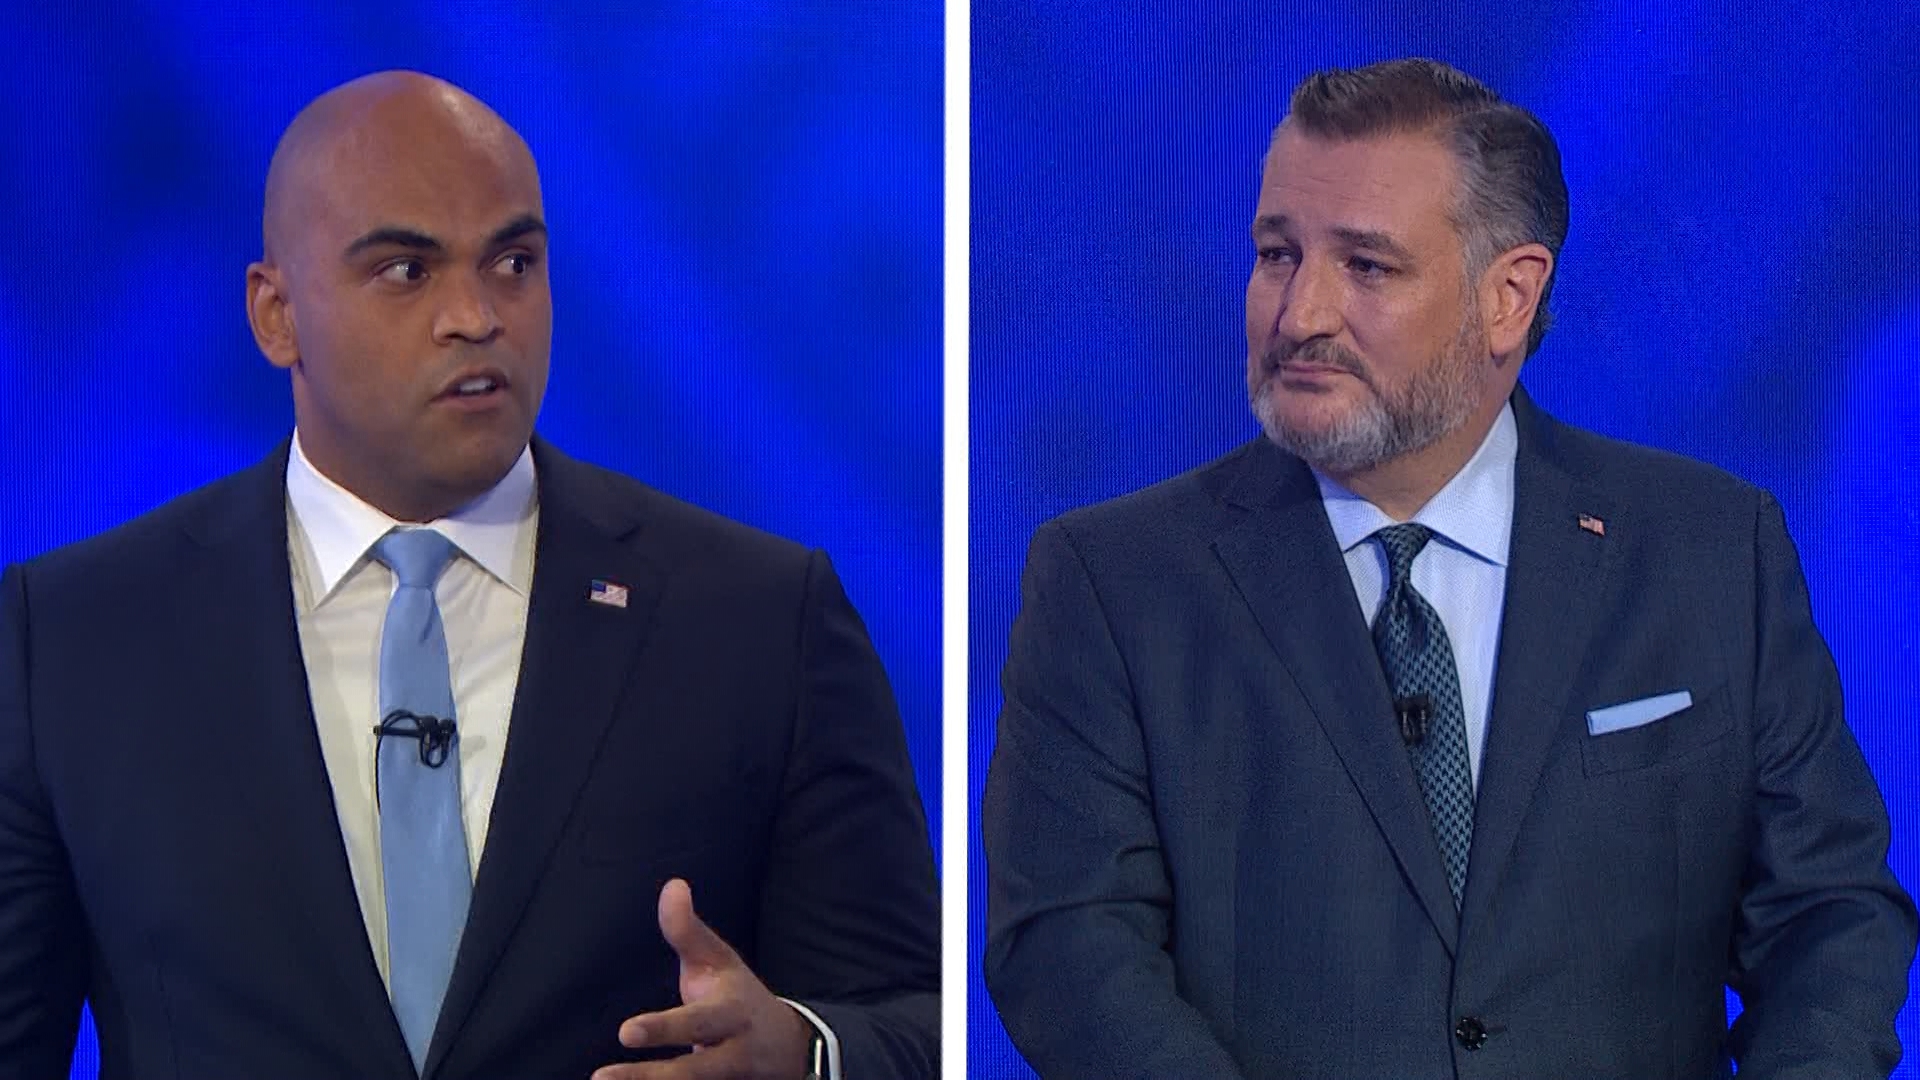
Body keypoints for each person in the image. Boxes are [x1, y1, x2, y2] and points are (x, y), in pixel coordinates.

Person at [981, 58, 1914, 1079]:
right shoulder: (1113, 580)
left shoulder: (1709, 549)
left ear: (1509, 297)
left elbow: (1828, 914)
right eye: (1277, 254)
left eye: (1366, 266)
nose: (1299, 316)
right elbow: (1071, 950)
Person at [0, 71, 938, 1080]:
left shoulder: (758, 617)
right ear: (276, 317)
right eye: (407, 271)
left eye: (515, 262)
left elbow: (915, 1018)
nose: (477, 316)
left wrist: (805, 1053)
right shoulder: (68, 636)